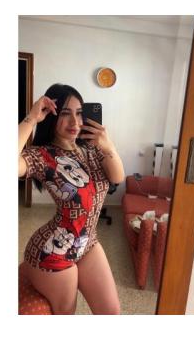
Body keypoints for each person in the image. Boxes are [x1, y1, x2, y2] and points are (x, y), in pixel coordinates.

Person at [18, 83, 125, 315]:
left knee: (111, 312)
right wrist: (31, 118)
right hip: (54, 252)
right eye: (65, 113)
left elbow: (117, 177)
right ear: (50, 116)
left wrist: (108, 145)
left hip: (88, 242)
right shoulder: (42, 155)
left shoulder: (92, 149)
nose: (75, 122)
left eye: (79, 113)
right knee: (66, 313)